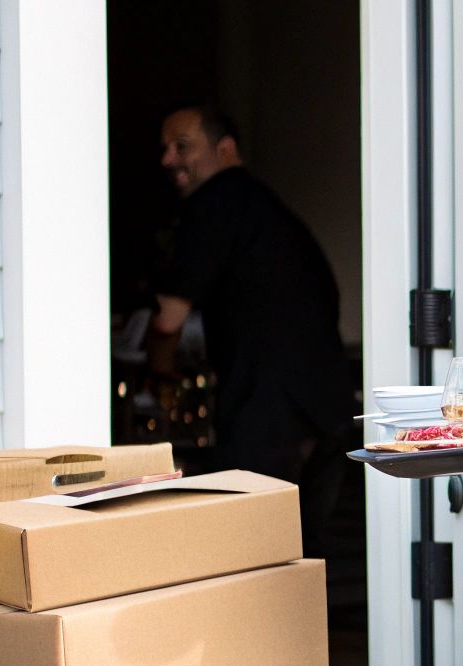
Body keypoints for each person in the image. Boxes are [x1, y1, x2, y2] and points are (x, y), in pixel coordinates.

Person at [149, 103, 356, 555]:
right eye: (164, 148)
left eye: (182, 146)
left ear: (225, 149)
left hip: (272, 412)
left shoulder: (214, 204)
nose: (168, 160)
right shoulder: (266, 210)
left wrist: (157, 375)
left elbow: (169, 317)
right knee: (304, 553)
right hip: (326, 404)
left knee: (256, 555)